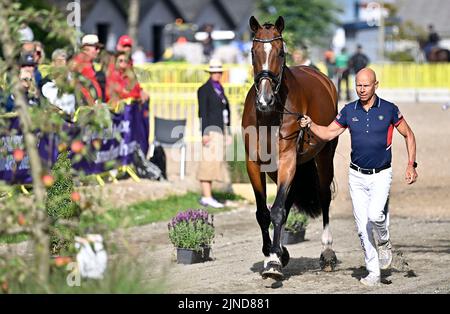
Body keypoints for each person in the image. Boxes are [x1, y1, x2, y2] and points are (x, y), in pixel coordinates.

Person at [300, 68, 418, 287]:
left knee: (375, 216)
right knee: (362, 227)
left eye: (366, 85)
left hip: (381, 174)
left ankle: (383, 240)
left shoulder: (390, 109)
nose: (362, 89)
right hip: (356, 176)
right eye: (358, 85)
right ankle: (373, 271)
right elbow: (328, 133)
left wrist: (411, 164)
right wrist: (310, 124)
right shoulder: (348, 111)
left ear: (376, 85)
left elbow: (408, 134)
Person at [197, 59, 231, 208]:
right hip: (210, 130)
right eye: (214, 72)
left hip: (220, 128)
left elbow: (225, 111)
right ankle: (207, 196)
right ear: (210, 73)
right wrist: (205, 133)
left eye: (219, 72)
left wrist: (227, 130)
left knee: (215, 162)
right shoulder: (204, 89)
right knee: (208, 162)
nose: (217, 74)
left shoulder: (220, 88)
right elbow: (203, 112)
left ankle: (209, 195)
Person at [69, 34, 103, 105]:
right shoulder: (78, 64)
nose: (98, 51)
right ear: (86, 48)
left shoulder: (89, 63)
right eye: (96, 48)